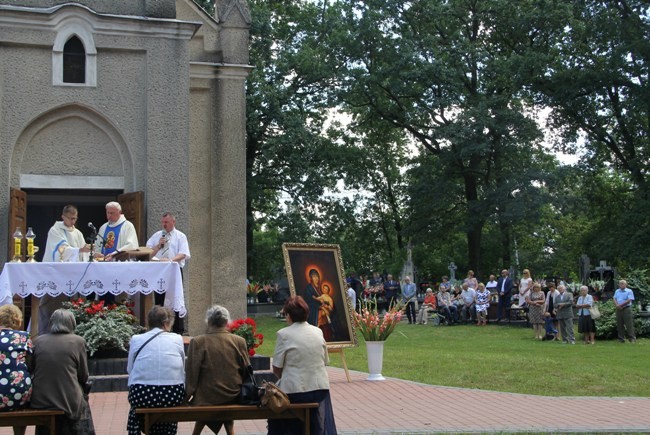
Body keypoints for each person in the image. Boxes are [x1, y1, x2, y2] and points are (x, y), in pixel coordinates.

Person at [269, 296, 337, 435]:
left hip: (295, 392)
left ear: (289, 315)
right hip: (320, 390)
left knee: (275, 410)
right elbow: (325, 361)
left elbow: (276, 368)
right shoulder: (318, 331)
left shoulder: (284, 334)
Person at [28, 309, 95, 434]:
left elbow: (30, 369)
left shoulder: (37, 341)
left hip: (41, 399)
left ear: (51, 323)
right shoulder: (78, 341)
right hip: (68, 400)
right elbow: (83, 375)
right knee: (82, 397)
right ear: (72, 323)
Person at [185, 305, 249, 435]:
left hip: (206, 398)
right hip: (233, 395)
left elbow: (192, 373)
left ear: (208, 321)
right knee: (222, 400)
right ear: (227, 322)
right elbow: (246, 370)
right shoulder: (239, 341)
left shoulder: (198, 342)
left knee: (206, 399)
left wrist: (186, 397)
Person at [127, 306, 185, 435]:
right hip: (172, 393)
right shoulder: (177, 339)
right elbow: (182, 368)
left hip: (142, 394)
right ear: (166, 323)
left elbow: (130, 369)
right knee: (169, 408)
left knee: (135, 409)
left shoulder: (136, 339)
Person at [38, 205, 93, 335]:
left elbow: (82, 254)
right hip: (56, 275)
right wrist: (80, 250)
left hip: (74, 276)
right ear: (63, 217)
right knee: (51, 305)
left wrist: (91, 253)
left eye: (75, 218)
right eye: (70, 218)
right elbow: (60, 250)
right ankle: (46, 332)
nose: (73, 221)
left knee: (74, 305)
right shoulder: (55, 230)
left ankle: (74, 332)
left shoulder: (77, 233)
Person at [146, 212, 191, 334]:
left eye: (166, 222)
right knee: (160, 299)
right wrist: (158, 246)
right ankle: (159, 328)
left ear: (173, 222)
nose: (164, 224)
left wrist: (170, 260)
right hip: (160, 271)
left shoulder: (180, 236)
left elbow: (184, 254)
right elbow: (148, 253)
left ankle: (177, 330)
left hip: (173, 271)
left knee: (175, 299)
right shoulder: (157, 236)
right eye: (163, 222)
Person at [0, 305, 32, 412]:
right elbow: (31, 363)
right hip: (20, 394)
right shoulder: (23, 336)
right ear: (17, 321)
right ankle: (19, 429)